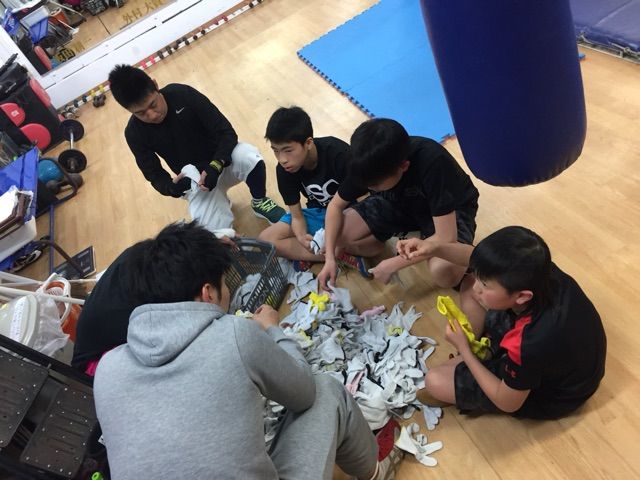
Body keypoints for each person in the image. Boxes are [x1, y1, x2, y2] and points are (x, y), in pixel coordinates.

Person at [93, 222, 403, 480]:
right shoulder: (233, 334)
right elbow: (305, 392)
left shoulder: (108, 370)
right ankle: (376, 472)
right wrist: (273, 330)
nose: (228, 289)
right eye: (224, 283)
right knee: (326, 391)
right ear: (207, 293)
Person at [398, 226, 607, 419]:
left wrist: (465, 351)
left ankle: (480, 356)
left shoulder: (529, 342)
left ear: (522, 296)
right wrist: (434, 248)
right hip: (566, 359)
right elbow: (475, 258)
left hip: (554, 395)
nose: (478, 287)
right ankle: (484, 352)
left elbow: (508, 404)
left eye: (485, 284)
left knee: (434, 381)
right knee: (468, 285)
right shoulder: (537, 269)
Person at [108, 65, 285, 233]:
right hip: (197, 182)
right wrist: (171, 188)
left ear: (155, 85)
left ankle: (259, 201)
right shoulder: (134, 133)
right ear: (129, 110)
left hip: (221, 162)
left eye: (153, 104)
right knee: (213, 234)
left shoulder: (182, 94)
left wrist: (216, 165)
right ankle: (220, 203)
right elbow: (154, 174)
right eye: (141, 113)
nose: (152, 115)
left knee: (248, 155)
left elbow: (226, 132)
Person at [317, 118, 479, 290]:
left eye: (375, 185)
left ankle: (428, 242)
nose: (370, 189)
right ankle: (388, 242)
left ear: (404, 166)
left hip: (450, 211)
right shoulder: (365, 163)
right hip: (401, 203)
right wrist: (330, 259)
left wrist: (394, 263)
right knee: (338, 233)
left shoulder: (432, 160)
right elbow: (335, 206)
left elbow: (446, 237)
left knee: (444, 271)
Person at [259, 106, 351, 267]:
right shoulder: (285, 170)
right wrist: (301, 237)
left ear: (308, 143)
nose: (282, 159)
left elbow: (365, 199)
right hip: (319, 213)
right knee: (265, 240)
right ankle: (340, 254)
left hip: (349, 212)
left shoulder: (338, 153)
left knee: (373, 243)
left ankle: (327, 251)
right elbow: (297, 216)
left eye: (288, 150)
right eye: (276, 151)